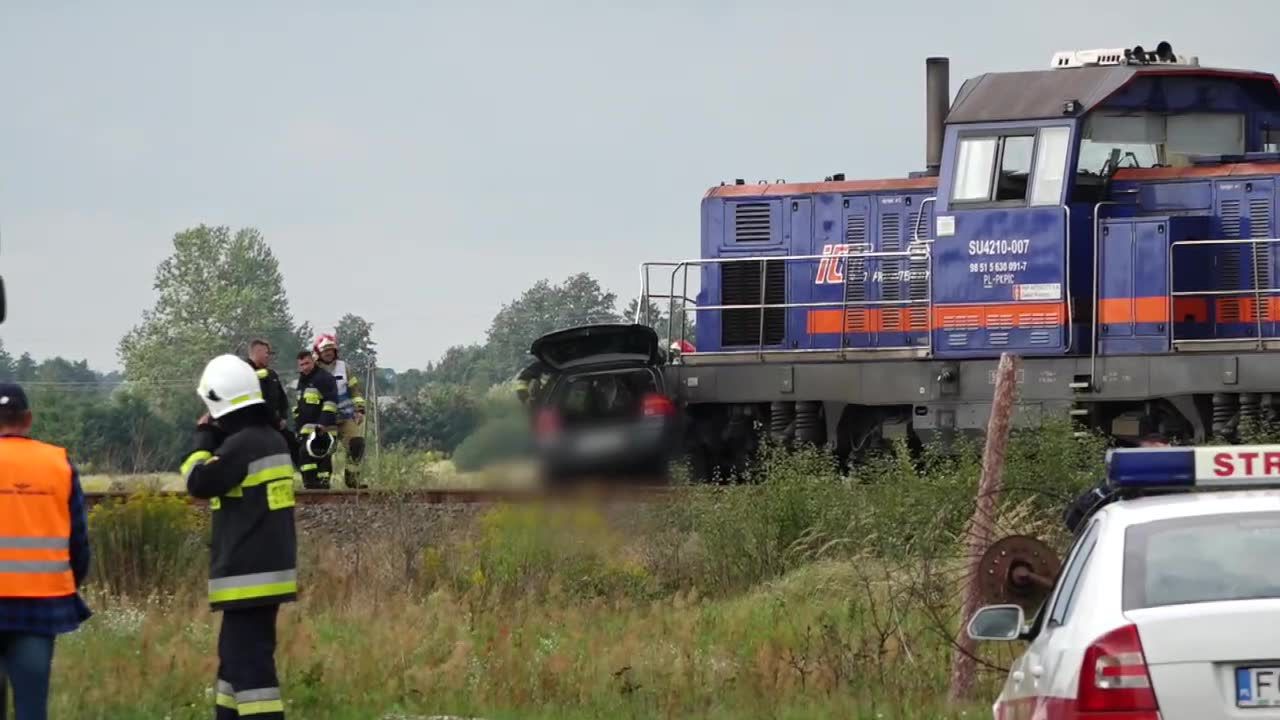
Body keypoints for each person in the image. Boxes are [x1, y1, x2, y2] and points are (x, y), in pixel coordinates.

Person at [181, 355, 297, 719]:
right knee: (232, 666)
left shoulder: (240, 447)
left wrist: (202, 441)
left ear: (219, 403)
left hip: (247, 578)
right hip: (266, 574)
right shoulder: (271, 440)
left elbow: (198, 482)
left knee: (251, 673)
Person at [0, 382, 91, 720]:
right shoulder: (57, 463)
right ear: (28, 418)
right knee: (31, 709)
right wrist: (65, 585)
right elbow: (78, 541)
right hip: (39, 606)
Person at [312, 334, 367, 489]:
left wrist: (360, 410)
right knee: (325, 450)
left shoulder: (345, 367)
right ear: (318, 352)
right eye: (325, 350)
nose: (328, 353)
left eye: (331, 349)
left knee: (357, 444)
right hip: (325, 418)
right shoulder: (314, 370)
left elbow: (354, 390)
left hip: (346, 416)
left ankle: (352, 478)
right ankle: (323, 484)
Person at [294, 350, 339, 490]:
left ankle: (322, 489)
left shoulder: (324, 378)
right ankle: (311, 487)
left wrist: (323, 424)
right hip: (305, 430)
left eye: (307, 363)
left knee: (323, 459)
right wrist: (297, 429)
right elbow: (299, 407)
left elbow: (331, 403)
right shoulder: (302, 381)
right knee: (306, 458)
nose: (304, 367)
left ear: (313, 361)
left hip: (323, 428)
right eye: (301, 365)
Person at [243, 339, 295, 458]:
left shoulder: (272, 375)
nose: (269, 357)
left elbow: (282, 398)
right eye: (267, 353)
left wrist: (283, 417)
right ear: (257, 352)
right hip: (254, 427)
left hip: (275, 426)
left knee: (294, 446)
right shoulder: (244, 373)